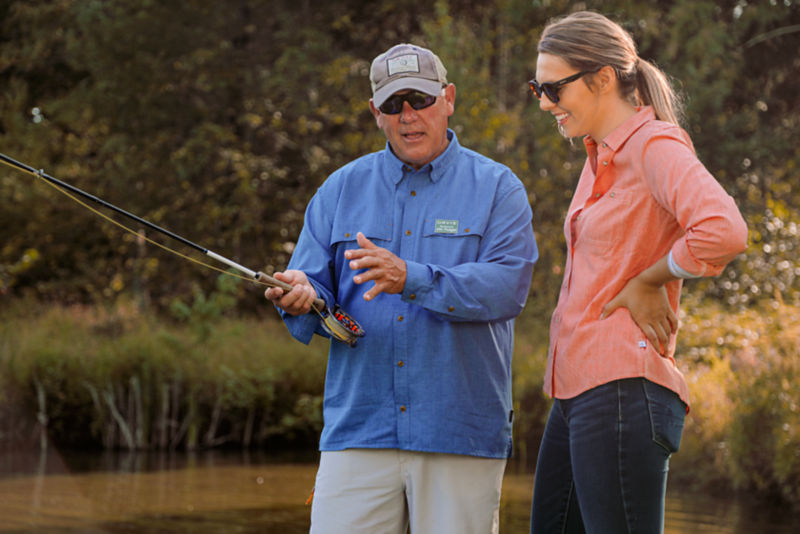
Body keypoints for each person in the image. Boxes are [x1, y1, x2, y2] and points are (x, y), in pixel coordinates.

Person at [265, 43, 538, 534]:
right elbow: (313, 288)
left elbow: (507, 288)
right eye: (394, 105)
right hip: (358, 430)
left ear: (449, 98)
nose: (408, 116)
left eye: (421, 100)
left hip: (460, 433)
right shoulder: (339, 188)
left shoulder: (499, 187)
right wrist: (299, 294)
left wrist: (410, 277)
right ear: (376, 112)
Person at [526, 11, 748, 534]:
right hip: (576, 391)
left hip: (624, 389)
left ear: (603, 78)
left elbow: (725, 229)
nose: (543, 102)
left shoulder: (655, 146)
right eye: (537, 87)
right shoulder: (597, 159)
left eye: (554, 88)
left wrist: (653, 278)